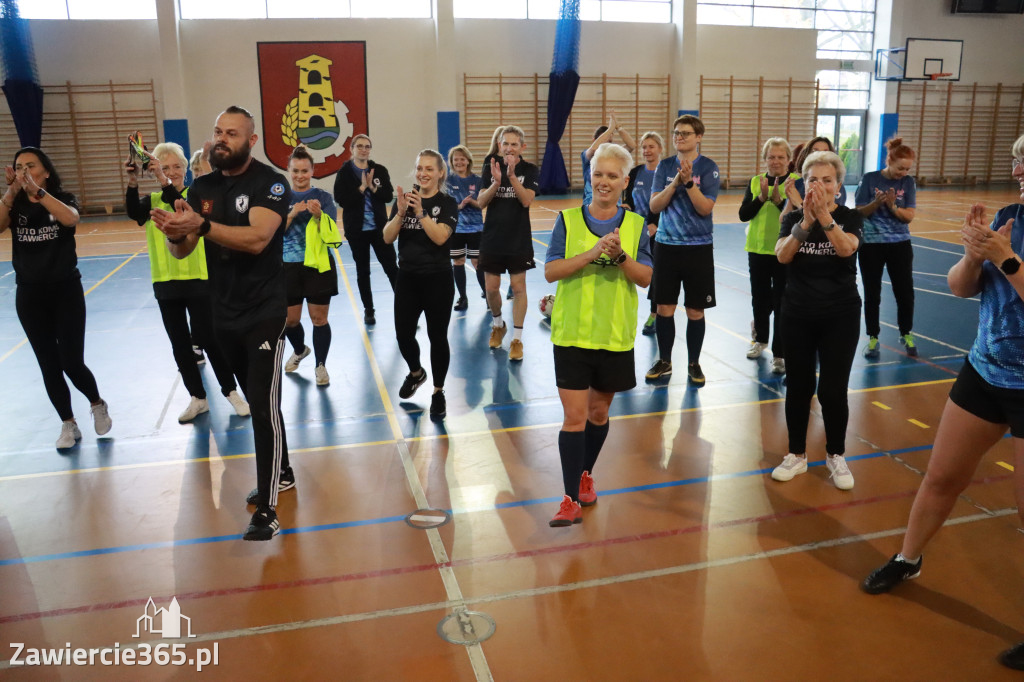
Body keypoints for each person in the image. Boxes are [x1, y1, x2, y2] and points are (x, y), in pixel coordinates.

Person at [861, 137, 1024, 672]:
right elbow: (959, 288)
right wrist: (974, 258)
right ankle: (909, 558)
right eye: (1018, 160)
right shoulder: (1009, 216)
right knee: (939, 477)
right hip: (985, 370)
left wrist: (1006, 258)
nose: (1020, 170)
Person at [151, 106, 292, 542]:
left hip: (265, 311)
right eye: (217, 132)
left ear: (251, 140)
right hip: (222, 312)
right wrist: (176, 230)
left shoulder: (270, 182)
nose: (220, 139)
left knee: (263, 411)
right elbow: (183, 249)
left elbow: (257, 239)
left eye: (231, 133)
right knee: (257, 397)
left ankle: (268, 509)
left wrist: (202, 224)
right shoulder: (203, 187)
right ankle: (282, 471)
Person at [544, 143, 653, 526]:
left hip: (613, 336)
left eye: (611, 176)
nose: (603, 182)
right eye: (597, 175)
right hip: (572, 334)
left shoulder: (637, 226)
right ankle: (569, 498)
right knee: (574, 417)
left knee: (598, 412)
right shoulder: (568, 220)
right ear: (589, 178)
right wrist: (593, 253)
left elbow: (645, 279)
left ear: (625, 181)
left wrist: (621, 256)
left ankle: (585, 472)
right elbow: (552, 271)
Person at [125, 142, 250, 422]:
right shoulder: (154, 200)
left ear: (185, 169)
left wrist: (161, 178)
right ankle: (198, 397)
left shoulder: (197, 197)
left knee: (209, 339)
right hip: (165, 281)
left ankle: (231, 392)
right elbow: (134, 212)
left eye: (176, 166)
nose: (171, 171)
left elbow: (178, 203)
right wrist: (133, 180)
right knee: (180, 344)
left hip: (199, 279)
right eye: (164, 167)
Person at [0, 147, 112, 449]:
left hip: (65, 292)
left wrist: (38, 193)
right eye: (19, 166)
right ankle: (68, 423)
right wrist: (10, 193)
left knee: (71, 361)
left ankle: (96, 402)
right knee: (48, 364)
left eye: (31, 165)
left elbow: (71, 218)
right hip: (29, 295)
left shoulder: (61, 197)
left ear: (45, 171)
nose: (24, 170)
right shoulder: (14, 204)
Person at [771, 150, 862, 490]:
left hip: (840, 314)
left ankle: (836, 455)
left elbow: (846, 249)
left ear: (838, 187)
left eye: (826, 180)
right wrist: (806, 221)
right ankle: (796, 455)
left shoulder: (850, 218)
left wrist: (825, 218)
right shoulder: (792, 218)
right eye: (812, 180)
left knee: (833, 389)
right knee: (798, 386)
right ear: (804, 184)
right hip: (797, 313)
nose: (819, 185)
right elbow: (782, 256)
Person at [645, 115, 720, 385]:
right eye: (677, 133)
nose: (679, 137)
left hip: (698, 248)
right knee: (664, 306)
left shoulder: (709, 168)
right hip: (667, 246)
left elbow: (704, 208)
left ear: (698, 137)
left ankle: (693, 363)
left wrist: (689, 183)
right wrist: (675, 182)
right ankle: (665, 360)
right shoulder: (665, 167)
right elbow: (654, 206)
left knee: (695, 310)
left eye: (686, 133)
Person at [383, 150, 458, 419]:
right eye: (419, 168)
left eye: (429, 168)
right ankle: (417, 373)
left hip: (437, 279)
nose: (423, 173)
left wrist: (421, 213)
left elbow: (440, 238)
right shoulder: (405, 201)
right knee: (403, 334)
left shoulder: (448, 202)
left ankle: (438, 392)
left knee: (437, 337)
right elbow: (387, 237)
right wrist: (401, 214)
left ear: (440, 173)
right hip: (408, 278)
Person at [477, 125, 540, 362]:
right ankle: (498, 324)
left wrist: (512, 177)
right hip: (493, 237)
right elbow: (481, 202)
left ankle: (517, 339)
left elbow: (526, 201)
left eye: (514, 144)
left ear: (522, 147)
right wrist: (496, 182)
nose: (509, 148)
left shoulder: (530, 170)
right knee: (491, 288)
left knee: (519, 287)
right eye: (505, 143)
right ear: (500, 145)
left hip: (518, 237)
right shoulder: (490, 165)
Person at [738, 137, 799, 375]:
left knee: (782, 302)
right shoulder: (756, 182)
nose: (775, 161)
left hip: (784, 250)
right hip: (757, 249)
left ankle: (780, 353)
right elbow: (744, 214)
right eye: (771, 157)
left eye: (780, 157)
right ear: (764, 159)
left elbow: (798, 215)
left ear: (788, 160)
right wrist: (761, 198)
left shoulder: (795, 183)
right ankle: (760, 339)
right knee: (759, 300)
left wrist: (778, 201)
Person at [280, 146, 341, 386]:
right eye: (296, 170)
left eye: (305, 171)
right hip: (288, 266)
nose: (300, 175)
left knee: (319, 319)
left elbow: (332, 232)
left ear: (313, 171)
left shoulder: (324, 198)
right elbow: (275, 232)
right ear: (289, 170)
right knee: (289, 321)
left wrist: (318, 217)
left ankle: (321, 365)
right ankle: (299, 349)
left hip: (317, 266)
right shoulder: (281, 197)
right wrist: (293, 213)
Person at [856, 137, 918, 359]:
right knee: (872, 293)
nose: (903, 172)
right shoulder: (870, 179)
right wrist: (876, 203)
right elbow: (859, 212)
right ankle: (873, 337)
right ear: (889, 161)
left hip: (899, 244)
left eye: (907, 168)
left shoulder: (908, 183)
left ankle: (906, 333)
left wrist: (892, 207)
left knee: (904, 292)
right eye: (900, 168)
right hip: (871, 245)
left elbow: (909, 216)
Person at [333, 134, 399, 325]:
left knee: (392, 268)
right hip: (357, 230)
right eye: (360, 146)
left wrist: (372, 187)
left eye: (367, 146)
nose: (364, 149)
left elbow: (388, 196)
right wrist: (362, 188)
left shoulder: (379, 170)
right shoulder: (344, 173)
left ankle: (403, 306)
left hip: (380, 229)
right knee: (363, 271)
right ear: (352, 149)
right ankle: (368, 309)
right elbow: (341, 200)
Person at [624, 131, 663, 337]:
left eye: (651, 147)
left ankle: (654, 314)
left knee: (653, 274)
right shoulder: (636, 171)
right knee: (628, 269)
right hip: (635, 230)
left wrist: (655, 224)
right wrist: (626, 207)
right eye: (644, 147)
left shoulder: (666, 171)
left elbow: (669, 200)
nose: (647, 151)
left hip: (658, 232)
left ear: (660, 149)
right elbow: (629, 198)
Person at [445, 145, 484, 310]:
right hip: (457, 229)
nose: (459, 162)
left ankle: (488, 294)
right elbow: (448, 204)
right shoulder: (448, 181)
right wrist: (459, 206)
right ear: (452, 163)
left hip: (476, 228)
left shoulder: (478, 180)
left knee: (477, 262)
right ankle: (463, 297)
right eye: (456, 160)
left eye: (462, 159)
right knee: (458, 261)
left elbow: (482, 204)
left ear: (468, 161)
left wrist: (472, 202)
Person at [581, 110, 636, 206]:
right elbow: (594, 149)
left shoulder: (614, 156)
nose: (607, 145)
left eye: (610, 142)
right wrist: (610, 129)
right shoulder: (587, 154)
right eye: (604, 142)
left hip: (614, 205)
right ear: (595, 140)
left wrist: (618, 127)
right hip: (591, 204)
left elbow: (631, 145)